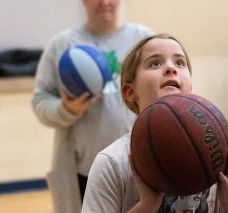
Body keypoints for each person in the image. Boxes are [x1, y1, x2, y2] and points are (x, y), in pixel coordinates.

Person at [81, 34, 228, 213]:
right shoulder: (111, 163)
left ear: (190, 85)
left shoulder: (223, 156)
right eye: (155, 63)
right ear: (129, 91)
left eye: (180, 63)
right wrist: (147, 205)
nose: (171, 68)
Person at [31, 0, 154, 212]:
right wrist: (67, 110)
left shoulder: (143, 39)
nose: (105, 3)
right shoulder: (63, 44)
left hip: (137, 170)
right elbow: (40, 103)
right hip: (83, 172)